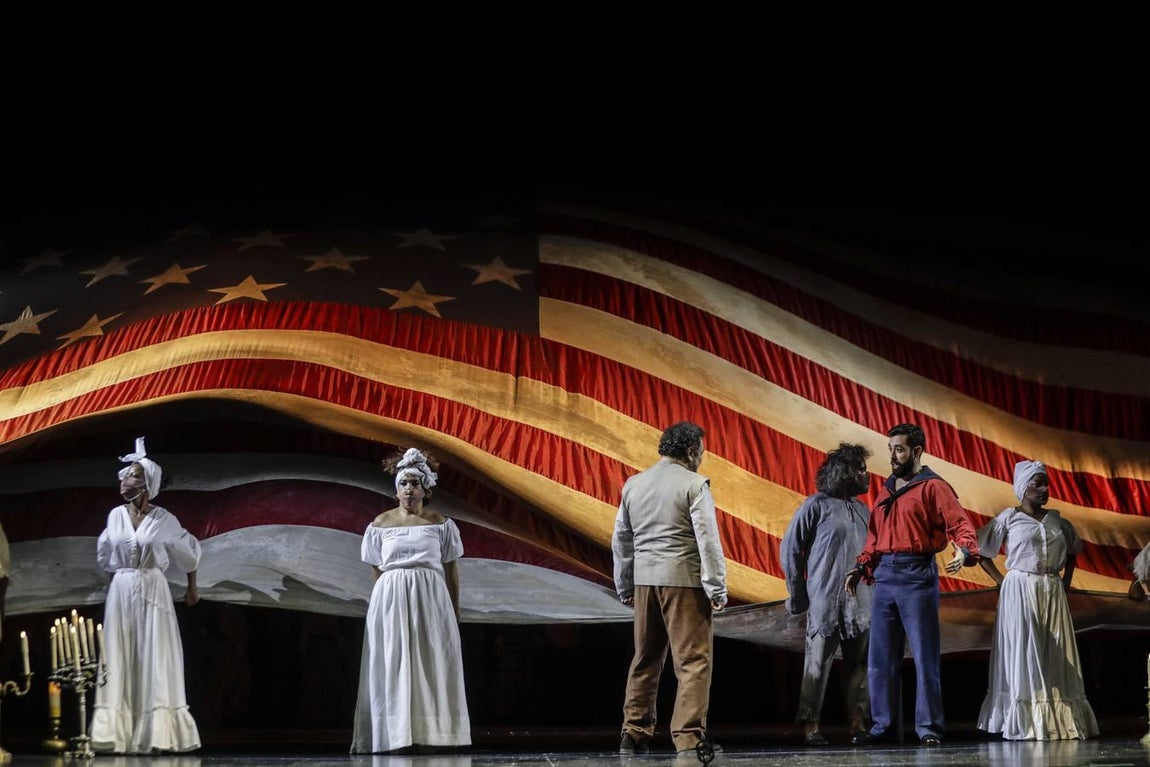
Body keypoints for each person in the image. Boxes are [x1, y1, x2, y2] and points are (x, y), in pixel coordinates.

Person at [845, 423, 981, 746]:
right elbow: (875, 537)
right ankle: (882, 726)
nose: (892, 456)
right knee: (879, 660)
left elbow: (960, 525)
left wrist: (964, 550)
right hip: (885, 578)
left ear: (917, 451)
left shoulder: (934, 487)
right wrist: (861, 566)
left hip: (916, 576)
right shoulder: (887, 488)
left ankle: (928, 727)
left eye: (900, 449)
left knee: (924, 657)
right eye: (890, 449)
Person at [612, 421, 727, 756]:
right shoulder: (694, 484)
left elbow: (621, 540)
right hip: (685, 582)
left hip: (645, 582)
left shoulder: (634, 484)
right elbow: (708, 540)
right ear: (691, 451)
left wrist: (624, 584)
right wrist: (717, 587)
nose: (702, 458)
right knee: (692, 661)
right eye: (702, 452)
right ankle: (689, 736)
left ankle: (633, 731)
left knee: (645, 658)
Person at [350, 447, 471, 754]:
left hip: (430, 598)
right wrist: (382, 609)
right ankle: (392, 734)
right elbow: (378, 569)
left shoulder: (439, 522)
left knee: (430, 662)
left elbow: (450, 569)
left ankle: (434, 733)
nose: (409, 489)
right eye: (404, 483)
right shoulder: (380, 524)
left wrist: (454, 608)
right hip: (391, 598)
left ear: (425, 489)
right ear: (397, 489)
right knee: (393, 661)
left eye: (414, 484)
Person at [91, 436, 202, 754]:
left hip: (154, 589)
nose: (126, 480)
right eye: (125, 475)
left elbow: (190, 552)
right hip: (122, 590)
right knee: (119, 655)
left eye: (134, 475)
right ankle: (115, 734)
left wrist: (193, 587)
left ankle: (156, 734)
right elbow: (105, 555)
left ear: (149, 483)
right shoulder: (114, 516)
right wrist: (113, 589)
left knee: (154, 655)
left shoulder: (164, 520)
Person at [975, 459, 1099, 740]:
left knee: (1053, 653)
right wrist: (1003, 581)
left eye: (1046, 483)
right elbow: (983, 553)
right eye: (1037, 483)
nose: (1044, 489)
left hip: (1052, 590)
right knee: (1025, 650)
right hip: (1020, 590)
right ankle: (1024, 719)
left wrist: (1065, 582)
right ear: (1023, 487)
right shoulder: (1009, 518)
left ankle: (1058, 719)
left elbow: (1071, 553)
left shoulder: (1057, 520)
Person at [781, 442, 874, 746]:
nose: (866, 474)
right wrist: (797, 595)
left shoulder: (863, 509)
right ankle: (811, 724)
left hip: (860, 599)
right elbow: (791, 549)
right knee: (817, 661)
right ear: (844, 472)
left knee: (858, 664)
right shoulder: (815, 506)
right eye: (860, 468)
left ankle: (858, 723)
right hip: (824, 596)